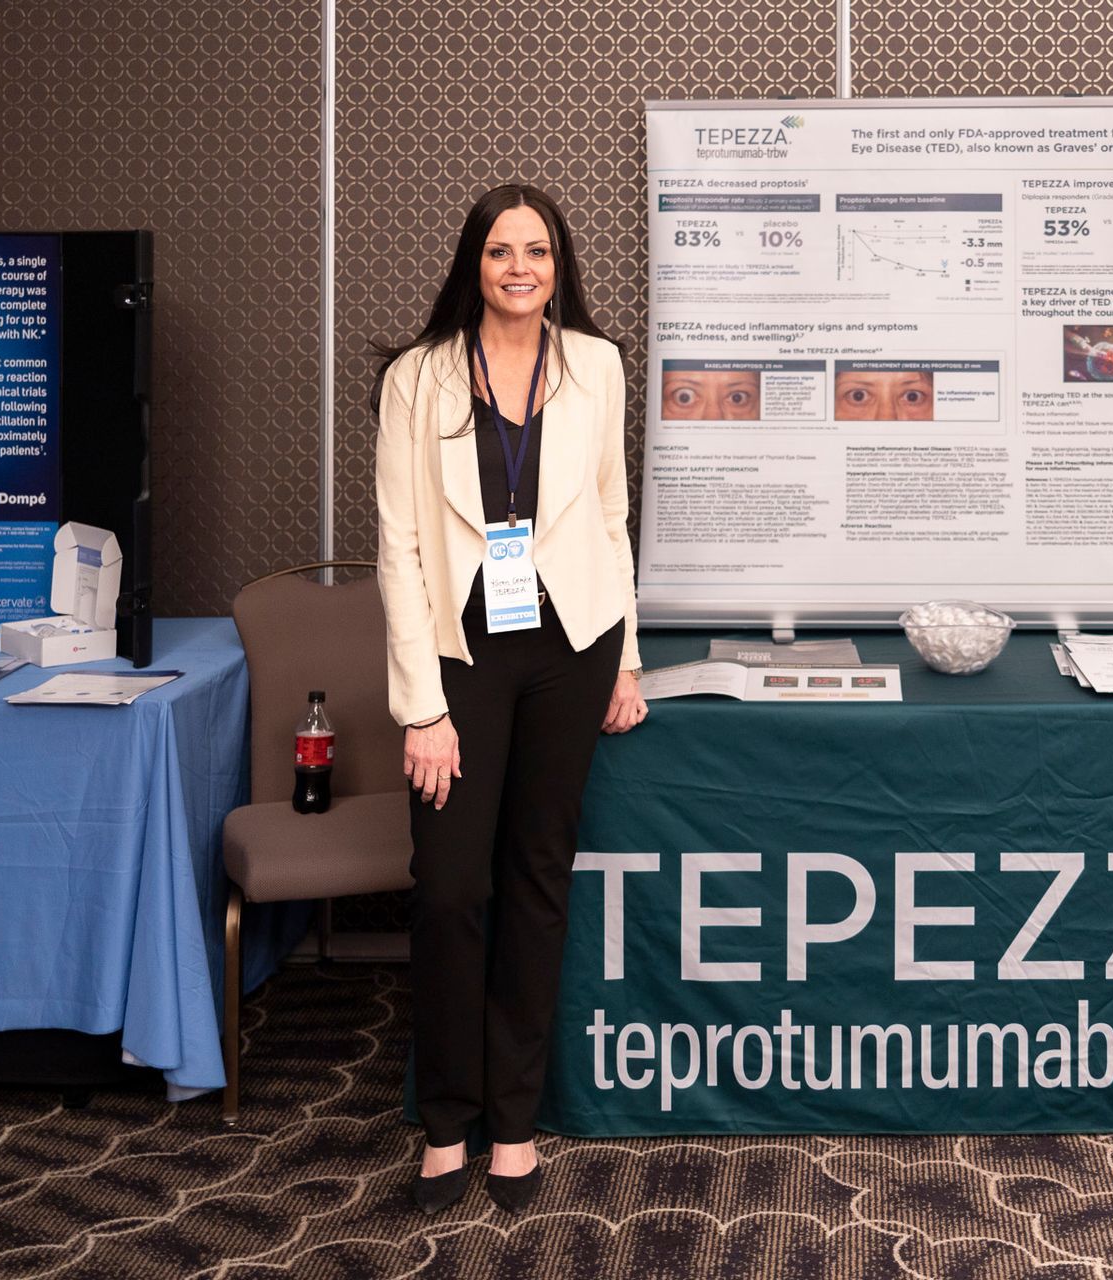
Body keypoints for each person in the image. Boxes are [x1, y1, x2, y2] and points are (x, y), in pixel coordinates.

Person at [371, 183, 647, 1215]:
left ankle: (515, 1121)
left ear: (559, 263)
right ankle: (448, 1118)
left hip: (569, 648)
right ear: (473, 265)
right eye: (500, 251)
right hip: (463, 655)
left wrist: (623, 657)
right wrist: (419, 707)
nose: (520, 267)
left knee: (535, 880)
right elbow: (399, 549)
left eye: (536, 250)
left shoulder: (598, 367)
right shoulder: (419, 379)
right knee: (448, 888)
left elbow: (614, 513)